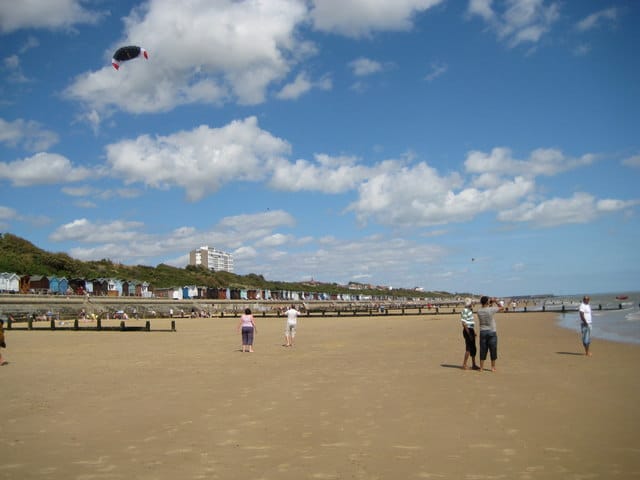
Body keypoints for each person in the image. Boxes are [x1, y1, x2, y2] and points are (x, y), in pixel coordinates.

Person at [476, 296, 504, 372]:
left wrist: (490, 303)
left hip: (483, 332)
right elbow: (502, 308)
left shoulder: (478, 311)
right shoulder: (491, 310)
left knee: (483, 350)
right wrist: (496, 301)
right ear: (487, 302)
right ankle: (493, 367)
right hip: (491, 331)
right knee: (493, 349)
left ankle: (481, 367)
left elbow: (487, 309)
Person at [460, 298, 479, 370]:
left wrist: (473, 332)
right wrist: (469, 333)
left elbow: (470, 323)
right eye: (471, 303)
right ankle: (464, 364)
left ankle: (474, 364)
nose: (472, 304)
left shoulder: (469, 310)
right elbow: (464, 323)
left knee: (473, 348)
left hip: (470, 329)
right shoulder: (465, 310)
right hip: (467, 330)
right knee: (468, 348)